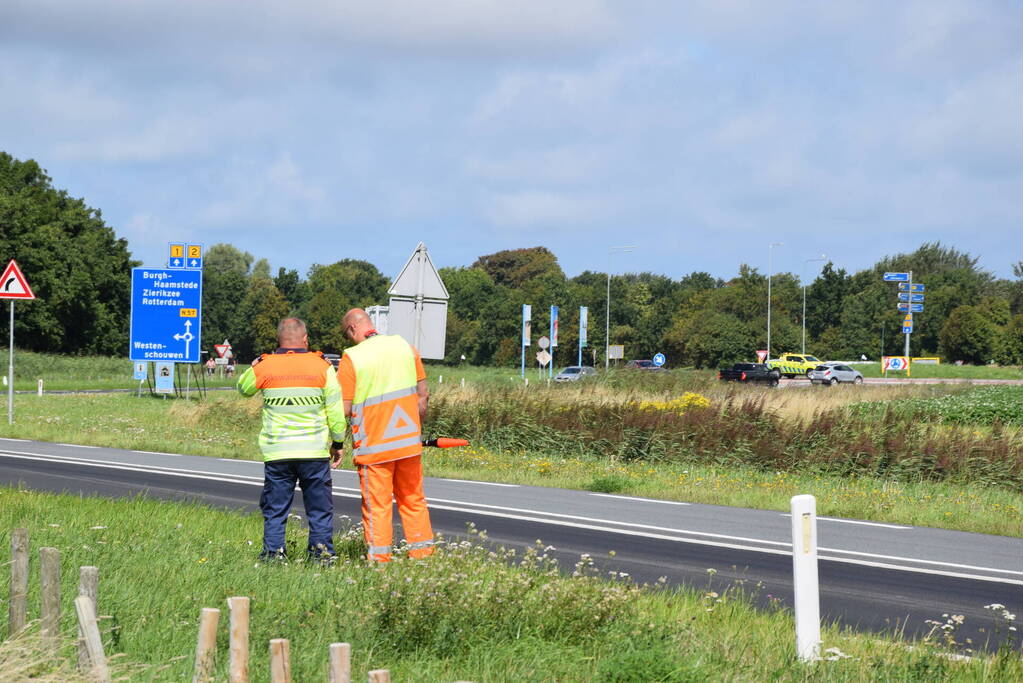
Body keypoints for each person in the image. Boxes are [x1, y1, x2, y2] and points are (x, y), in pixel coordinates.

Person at [237, 318, 347, 560]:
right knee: (319, 510)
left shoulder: (265, 365)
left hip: (278, 452)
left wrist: (256, 363)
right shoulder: (322, 366)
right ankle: (321, 557)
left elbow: (243, 388)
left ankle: (273, 554)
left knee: (275, 510)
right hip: (313, 452)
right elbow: (336, 411)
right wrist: (338, 443)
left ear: (279, 339)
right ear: (305, 339)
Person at [333, 308, 433, 562]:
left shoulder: (352, 357)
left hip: (375, 447)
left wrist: (335, 440)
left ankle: (380, 563)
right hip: (408, 444)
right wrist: (414, 429)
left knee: (377, 506)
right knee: (413, 500)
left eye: (347, 334)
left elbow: (343, 408)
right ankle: (423, 558)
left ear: (352, 328)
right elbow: (423, 397)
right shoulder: (406, 348)